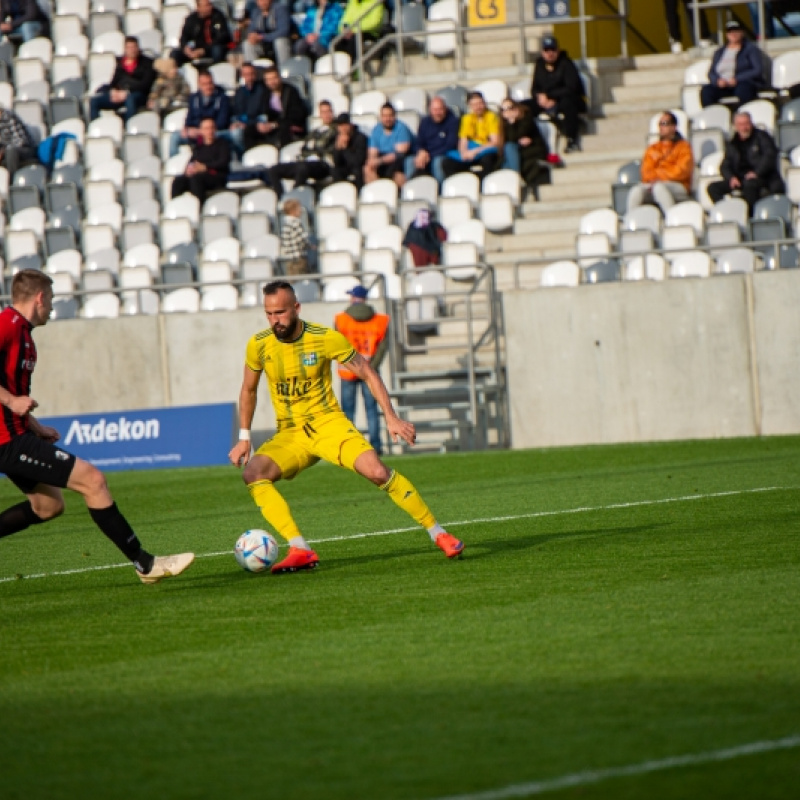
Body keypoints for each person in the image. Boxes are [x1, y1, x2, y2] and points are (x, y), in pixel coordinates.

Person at [228, 280, 464, 575]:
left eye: (281, 312)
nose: (275, 320)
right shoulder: (259, 345)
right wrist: (244, 438)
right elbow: (248, 390)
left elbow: (367, 372)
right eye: (270, 314)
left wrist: (391, 416)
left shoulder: (325, 338)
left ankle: (439, 533)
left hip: (329, 425)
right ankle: (300, 548)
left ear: (296, 308)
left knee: (378, 472)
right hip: (290, 434)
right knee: (253, 474)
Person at [0, 270, 195, 584]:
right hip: (7, 441)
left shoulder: (25, 336)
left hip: (17, 434)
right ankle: (146, 564)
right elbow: (9, 398)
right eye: (50, 299)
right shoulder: (6, 326)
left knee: (48, 506)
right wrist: (12, 402)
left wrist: (34, 425)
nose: (51, 307)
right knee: (93, 480)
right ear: (40, 297)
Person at [335, 285, 389, 455]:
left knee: (348, 412)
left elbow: (336, 344)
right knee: (372, 409)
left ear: (353, 298)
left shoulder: (341, 319)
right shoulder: (380, 320)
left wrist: (352, 365)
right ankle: (376, 446)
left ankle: (350, 446)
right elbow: (383, 347)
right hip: (370, 371)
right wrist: (370, 368)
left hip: (347, 370)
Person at [707, 110, 785, 213]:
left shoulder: (762, 137)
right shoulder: (733, 143)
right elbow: (724, 165)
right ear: (735, 126)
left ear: (751, 123)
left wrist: (757, 172)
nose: (744, 128)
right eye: (741, 124)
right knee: (713, 188)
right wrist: (731, 178)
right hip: (740, 178)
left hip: (762, 176)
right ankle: (727, 212)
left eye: (746, 124)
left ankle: (750, 215)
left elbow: (769, 156)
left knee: (749, 184)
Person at [626, 110, 694, 215]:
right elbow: (645, 172)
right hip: (653, 184)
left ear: (674, 127)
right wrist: (656, 177)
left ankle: (671, 218)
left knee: (659, 188)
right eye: (660, 124)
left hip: (678, 185)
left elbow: (681, 171)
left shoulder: (684, 147)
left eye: (664, 124)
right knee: (636, 190)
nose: (661, 127)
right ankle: (630, 221)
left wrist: (659, 176)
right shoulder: (652, 149)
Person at [267, 100, 337, 199]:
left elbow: (324, 148)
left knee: (302, 168)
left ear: (332, 112)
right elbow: (304, 149)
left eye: (328, 111)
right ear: (320, 114)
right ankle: (282, 198)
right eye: (323, 112)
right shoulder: (315, 132)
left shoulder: (336, 131)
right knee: (273, 170)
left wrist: (313, 150)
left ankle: (292, 198)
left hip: (322, 164)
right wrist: (312, 150)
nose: (326, 115)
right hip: (306, 161)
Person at [529, 35, 586, 154]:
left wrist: (551, 96)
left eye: (552, 50)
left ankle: (572, 140)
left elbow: (572, 88)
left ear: (558, 51)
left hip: (567, 99)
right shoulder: (539, 64)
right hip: (546, 101)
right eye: (546, 50)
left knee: (568, 103)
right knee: (525, 106)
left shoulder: (567, 64)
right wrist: (540, 97)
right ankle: (530, 139)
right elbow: (534, 88)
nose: (550, 53)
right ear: (542, 52)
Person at [89, 36, 155, 123]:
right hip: (120, 94)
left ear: (138, 48)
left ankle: (129, 127)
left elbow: (145, 85)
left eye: (134, 47)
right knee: (94, 101)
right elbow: (114, 82)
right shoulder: (120, 63)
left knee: (130, 99)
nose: (132, 50)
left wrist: (127, 92)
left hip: (138, 95)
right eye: (129, 47)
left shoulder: (147, 63)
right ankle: (96, 125)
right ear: (125, 49)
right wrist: (113, 91)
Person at [700, 20, 764, 108]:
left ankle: (743, 116)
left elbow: (757, 70)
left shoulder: (750, 49)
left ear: (742, 32)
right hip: (723, 85)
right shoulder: (719, 52)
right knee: (707, 91)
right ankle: (712, 116)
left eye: (736, 31)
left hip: (743, 83)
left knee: (744, 90)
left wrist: (737, 78)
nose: (733, 34)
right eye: (730, 32)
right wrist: (717, 81)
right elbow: (711, 72)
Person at [169, 70, 231, 157]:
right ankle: (173, 163)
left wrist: (202, 131)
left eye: (210, 83)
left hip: (215, 132)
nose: (208, 87)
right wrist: (187, 128)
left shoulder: (222, 98)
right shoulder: (193, 98)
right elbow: (189, 118)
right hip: (196, 132)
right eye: (204, 84)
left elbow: (222, 122)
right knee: (175, 136)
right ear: (199, 85)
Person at [245, 66, 308, 151]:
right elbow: (263, 112)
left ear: (279, 78)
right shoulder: (266, 94)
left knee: (283, 129)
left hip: (289, 124)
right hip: (272, 125)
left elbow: (297, 114)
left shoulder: (291, 91)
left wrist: (276, 124)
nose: (272, 82)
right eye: (268, 80)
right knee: (249, 130)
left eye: (274, 78)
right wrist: (262, 124)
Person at [441, 91, 501, 179]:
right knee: (447, 163)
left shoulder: (491, 117)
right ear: (470, 106)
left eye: (480, 103)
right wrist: (464, 152)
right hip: (470, 150)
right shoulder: (467, 118)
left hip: (484, 149)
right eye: (475, 105)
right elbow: (463, 140)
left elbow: (494, 142)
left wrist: (475, 151)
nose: (478, 107)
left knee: (488, 160)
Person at [171, 118, 231, 203]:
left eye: (212, 127)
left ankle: (199, 207)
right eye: (206, 128)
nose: (210, 131)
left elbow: (223, 162)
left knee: (196, 179)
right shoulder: (199, 148)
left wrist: (205, 167)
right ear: (201, 131)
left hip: (216, 176)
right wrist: (189, 170)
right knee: (178, 181)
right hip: (199, 176)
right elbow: (192, 162)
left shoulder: (222, 145)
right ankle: (175, 207)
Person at [405, 96, 459, 186]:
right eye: (435, 110)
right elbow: (419, 142)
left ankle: (440, 189)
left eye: (440, 109)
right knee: (409, 161)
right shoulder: (425, 122)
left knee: (437, 162)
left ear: (445, 109)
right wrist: (421, 152)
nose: (437, 113)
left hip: (444, 155)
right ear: (430, 110)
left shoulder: (452, 121)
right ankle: (410, 188)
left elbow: (450, 144)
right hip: (427, 154)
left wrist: (428, 155)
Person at [499, 98, 548, 192]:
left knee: (509, 151)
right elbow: (509, 139)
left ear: (517, 108)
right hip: (517, 149)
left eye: (511, 108)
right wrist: (511, 123)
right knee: (507, 153)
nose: (508, 111)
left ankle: (515, 178)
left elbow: (518, 135)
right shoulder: (504, 124)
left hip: (533, 148)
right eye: (504, 109)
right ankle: (516, 179)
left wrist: (512, 122)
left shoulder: (526, 117)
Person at [364, 102, 413, 187]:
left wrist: (379, 161)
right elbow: (372, 151)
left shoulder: (401, 128)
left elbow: (399, 153)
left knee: (396, 174)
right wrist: (372, 162)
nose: (387, 119)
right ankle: (378, 191)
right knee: (368, 168)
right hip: (382, 158)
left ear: (394, 116)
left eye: (390, 116)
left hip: (398, 159)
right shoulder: (376, 129)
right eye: (384, 116)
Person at [171, 0, 232, 67]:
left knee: (217, 50)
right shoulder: (191, 19)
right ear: (198, 7)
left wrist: (204, 50)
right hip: (196, 49)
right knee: (175, 54)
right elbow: (183, 38)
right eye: (206, 6)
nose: (210, 7)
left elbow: (222, 37)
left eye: (209, 4)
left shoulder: (218, 16)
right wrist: (186, 48)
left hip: (211, 49)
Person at [229, 62, 267, 156]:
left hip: (256, 122)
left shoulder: (262, 90)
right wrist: (236, 122)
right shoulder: (239, 92)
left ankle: (246, 156)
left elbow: (263, 114)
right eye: (246, 74)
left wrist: (247, 124)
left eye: (251, 74)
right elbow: (236, 112)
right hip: (241, 123)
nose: (249, 77)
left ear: (255, 74)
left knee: (237, 134)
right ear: (242, 75)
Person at [335, 0, 384, 67]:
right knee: (337, 42)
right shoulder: (353, 2)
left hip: (369, 33)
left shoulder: (376, 2)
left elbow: (374, 22)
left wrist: (354, 30)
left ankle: (353, 69)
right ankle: (340, 69)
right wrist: (343, 29)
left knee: (354, 40)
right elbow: (345, 20)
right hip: (351, 32)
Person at [243, 0, 291, 68]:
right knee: (247, 44)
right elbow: (252, 29)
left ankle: (284, 68)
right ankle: (253, 70)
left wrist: (263, 37)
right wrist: (252, 35)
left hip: (277, 40)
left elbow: (284, 31)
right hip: (263, 43)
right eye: (260, 1)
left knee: (280, 42)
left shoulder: (280, 9)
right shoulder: (256, 12)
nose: (262, 3)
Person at [331, 112, 368, 188]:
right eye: (340, 126)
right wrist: (338, 148)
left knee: (358, 172)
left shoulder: (360, 138)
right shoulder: (337, 137)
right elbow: (336, 162)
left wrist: (345, 148)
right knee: (335, 171)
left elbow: (358, 161)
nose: (343, 128)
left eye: (345, 125)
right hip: (345, 167)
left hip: (358, 167)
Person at [0, 106, 36, 177]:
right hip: (6, 150)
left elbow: (21, 141)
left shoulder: (9, 117)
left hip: (25, 149)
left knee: (11, 151)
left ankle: (12, 180)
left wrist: (3, 151)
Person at [279, 198, 312, 274]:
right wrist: (310, 246)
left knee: (292, 281)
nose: (300, 211)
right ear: (293, 211)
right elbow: (302, 239)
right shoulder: (296, 223)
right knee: (301, 280)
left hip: (289, 260)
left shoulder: (285, 224)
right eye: (299, 209)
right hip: (298, 259)